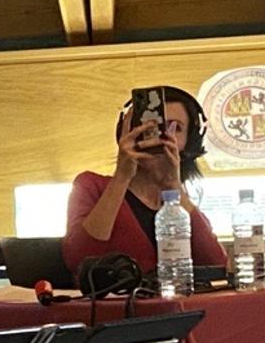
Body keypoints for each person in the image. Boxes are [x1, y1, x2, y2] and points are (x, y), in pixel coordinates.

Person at [62, 86, 226, 275]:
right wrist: (121, 177)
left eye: (175, 128)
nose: (161, 136)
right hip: (117, 303)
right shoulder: (91, 185)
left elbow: (217, 265)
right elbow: (78, 260)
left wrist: (174, 186)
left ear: (189, 142)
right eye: (149, 126)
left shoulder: (183, 202)